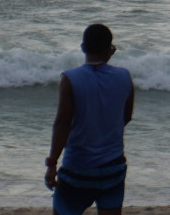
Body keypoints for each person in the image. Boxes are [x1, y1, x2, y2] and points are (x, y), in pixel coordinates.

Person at [46, 24, 135, 215]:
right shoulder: (124, 77)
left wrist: (52, 163)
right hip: (113, 169)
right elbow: (125, 117)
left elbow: (63, 123)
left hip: (77, 171)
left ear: (83, 47)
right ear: (109, 50)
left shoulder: (70, 78)